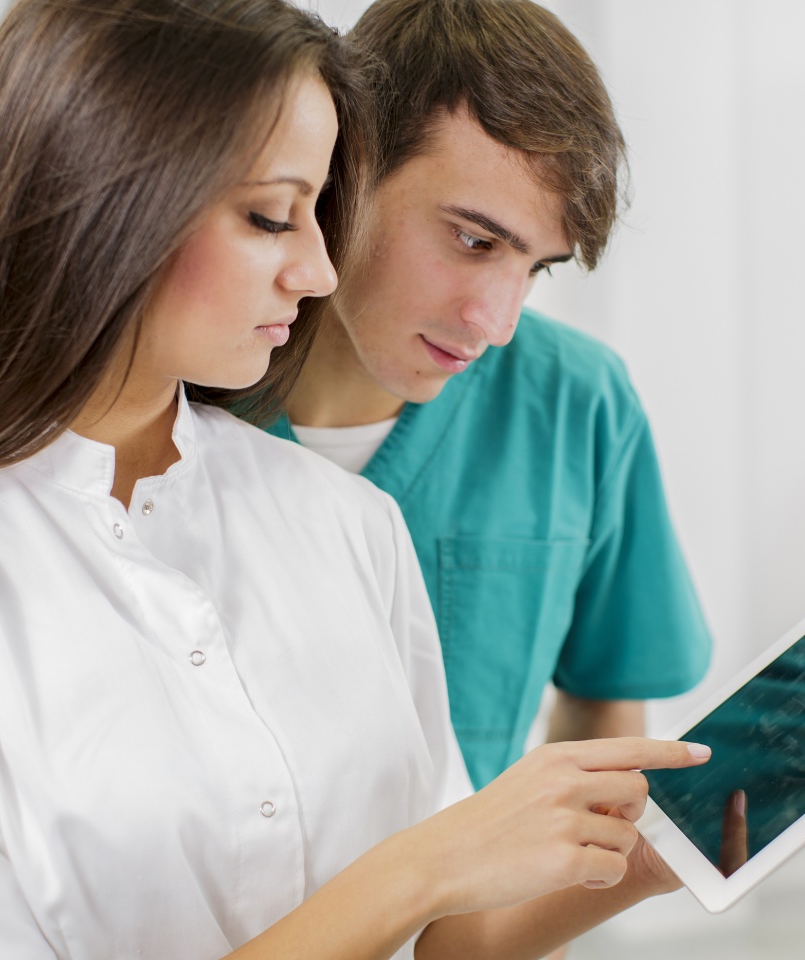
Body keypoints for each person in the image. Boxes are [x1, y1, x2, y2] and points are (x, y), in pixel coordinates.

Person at [0, 0, 710, 957]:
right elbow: (432, 873)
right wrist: (417, 870)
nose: (318, 269)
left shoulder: (347, 523)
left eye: (313, 213)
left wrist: (661, 852)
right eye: (271, 216)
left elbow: (450, 932)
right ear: (109, 194)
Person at [266, 0, 713, 790]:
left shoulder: (576, 401)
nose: (498, 324)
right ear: (347, 166)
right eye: (474, 241)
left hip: (472, 914)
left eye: (537, 267)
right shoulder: (175, 394)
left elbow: (602, 717)